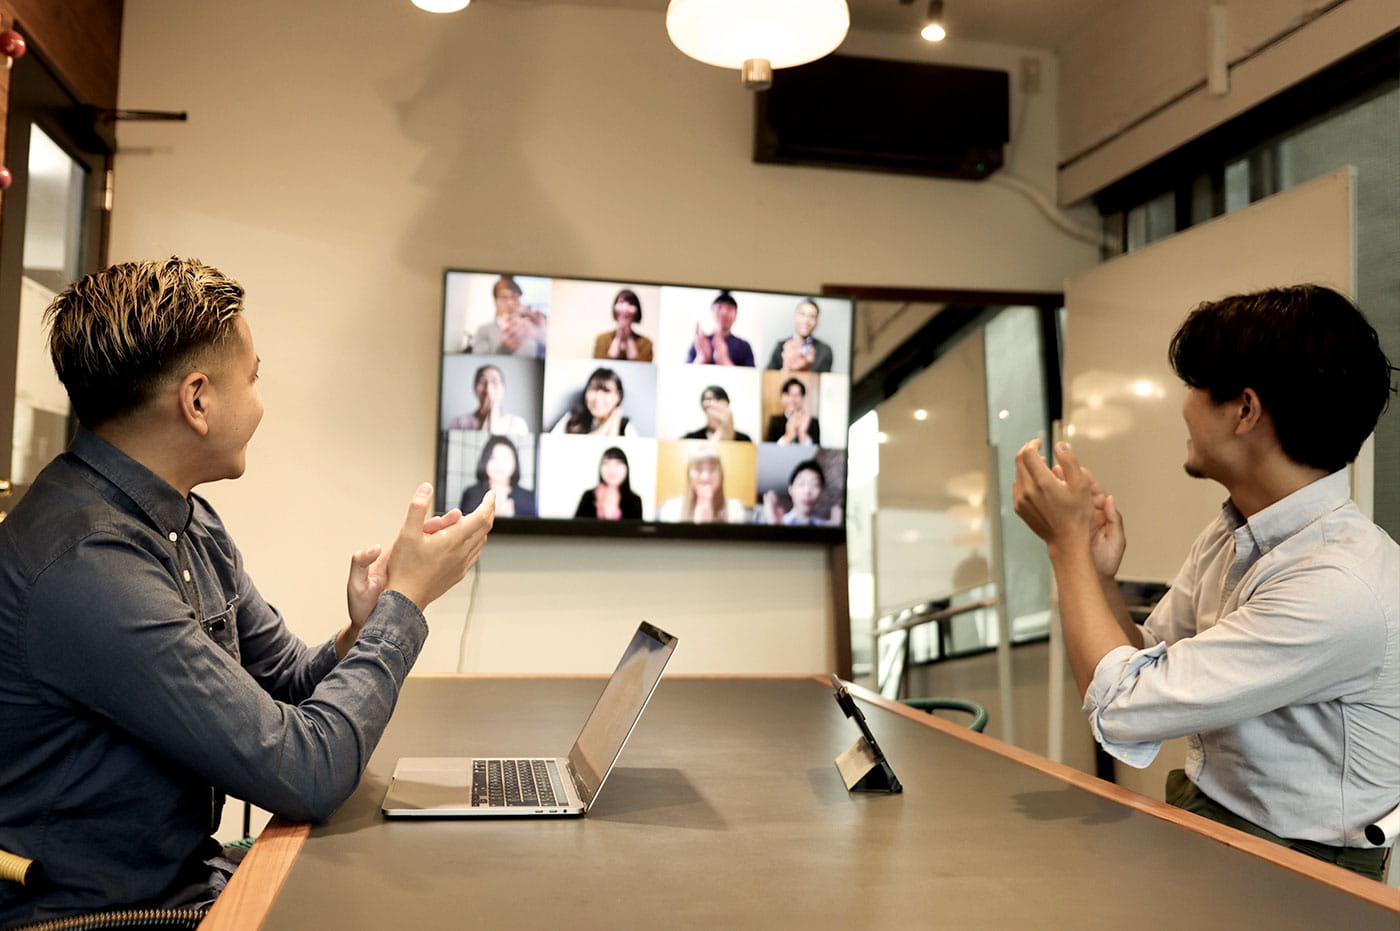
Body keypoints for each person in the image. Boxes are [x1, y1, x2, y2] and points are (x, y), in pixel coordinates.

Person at [0, 258, 495, 925]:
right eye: (254, 377)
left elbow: (284, 683)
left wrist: (364, 627)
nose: (261, 400)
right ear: (198, 400)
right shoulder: (87, 565)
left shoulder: (185, 517)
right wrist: (406, 605)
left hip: (183, 879)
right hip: (102, 916)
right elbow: (307, 771)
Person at [1012, 284, 1398, 880]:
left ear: (1245, 410)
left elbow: (1121, 708)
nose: (1184, 406)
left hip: (1303, 871)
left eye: (1195, 386)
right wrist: (1097, 575)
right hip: (1210, 816)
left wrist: (1065, 549)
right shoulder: (1237, 528)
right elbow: (1141, 665)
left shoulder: (1340, 586)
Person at [658, 444, 748, 524]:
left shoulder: (735, 509)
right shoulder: (671, 508)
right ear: (688, 474)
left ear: (721, 475)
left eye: (712, 470)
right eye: (698, 469)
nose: (705, 477)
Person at [459, 435, 537, 518]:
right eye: (493, 457)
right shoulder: (471, 493)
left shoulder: (528, 497)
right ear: (485, 460)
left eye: (506, 458)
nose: (500, 464)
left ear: (515, 463)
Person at [470, 275, 546, 358]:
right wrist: (504, 349)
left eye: (514, 297)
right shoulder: (484, 330)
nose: (510, 302)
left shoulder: (530, 328)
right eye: (504, 297)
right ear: (496, 301)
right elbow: (479, 362)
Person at [551, 367, 637, 436]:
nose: (598, 397)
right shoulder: (571, 419)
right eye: (594, 389)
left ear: (618, 396)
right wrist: (611, 420)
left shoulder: (626, 427)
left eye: (606, 391)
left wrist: (616, 422)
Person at [447, 363, 529, 434]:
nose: (488, 388)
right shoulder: (458, 423)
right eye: (483, 381)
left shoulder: (517, 424)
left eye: (495, 381)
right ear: (474, 387)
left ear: (503, 388)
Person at [686, 290, 754, 367]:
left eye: (729, 308)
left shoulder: (744, 346)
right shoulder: (699, 343)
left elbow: (751, 377)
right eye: (719, 307)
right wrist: (702, 358)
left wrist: (724, 360)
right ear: (712, 312)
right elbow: (685, 376)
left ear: (736, 315)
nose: (724, 312)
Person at [763, 459, 841, 526]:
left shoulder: (827, 526)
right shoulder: (778, 522)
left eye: (815, 484)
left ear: (821, 491)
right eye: (801, 484)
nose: (807, 491)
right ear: (790, 490)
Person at [574, 447, 644, 520]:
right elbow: (575, 528)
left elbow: (634, 530)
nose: (612, 469)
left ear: (627, 468)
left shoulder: (634, 500)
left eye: (618, 463)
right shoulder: (589, 496)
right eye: (606, 463)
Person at [765, 299, 833, 373]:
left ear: (817, 321)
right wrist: (786, 368)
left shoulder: (824, 351)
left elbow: (825, 381)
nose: (806, 320)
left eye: (812, 316)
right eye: (802, 314)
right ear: (795, 316)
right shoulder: (781, 346)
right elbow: (768, 376)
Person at [592, 288, 653, 362]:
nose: (625, 308)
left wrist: (629, 338)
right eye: (621, 302)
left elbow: (642, 368)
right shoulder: (602, 339)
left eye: (631, 303)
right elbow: (601, 367)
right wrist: (618, 337)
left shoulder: (646, 343)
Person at [682, 385, 752, 442]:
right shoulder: (690, 439)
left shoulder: (745, 440)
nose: (714, 404)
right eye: (709, 400)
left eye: (719, 399)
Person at [764, 377, 820, 445]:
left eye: (797, 394)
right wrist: (788, 437)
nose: (792, 399)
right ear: (782, 397)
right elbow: (769, 451)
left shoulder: (813, 422)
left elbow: (817, 452)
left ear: (803, 398)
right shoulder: (775, 421)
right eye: (788, 394)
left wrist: (802, 433)